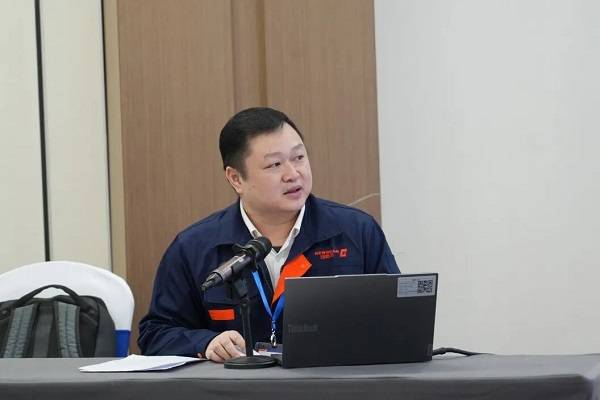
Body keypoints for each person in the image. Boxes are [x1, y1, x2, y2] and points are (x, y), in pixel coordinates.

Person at [138, 107, 400, 362]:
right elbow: (156, 334)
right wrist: (206, 343)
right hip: (239, 386)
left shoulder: (356, 231)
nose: (293, 174)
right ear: (236, 178)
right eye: (275, 164)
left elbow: (398, 319)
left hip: (332, 382)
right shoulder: (194, 247)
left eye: (299, 157)